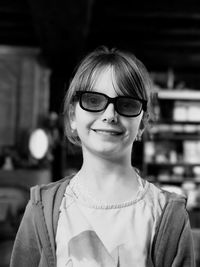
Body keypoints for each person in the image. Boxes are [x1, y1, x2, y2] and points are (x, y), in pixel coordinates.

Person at [10, 46, 195, 267]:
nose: (109, 115)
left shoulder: (168, 215)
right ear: (72, 116)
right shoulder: (42, 209)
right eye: (93, 101)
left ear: (143, 122)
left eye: (126, 104)